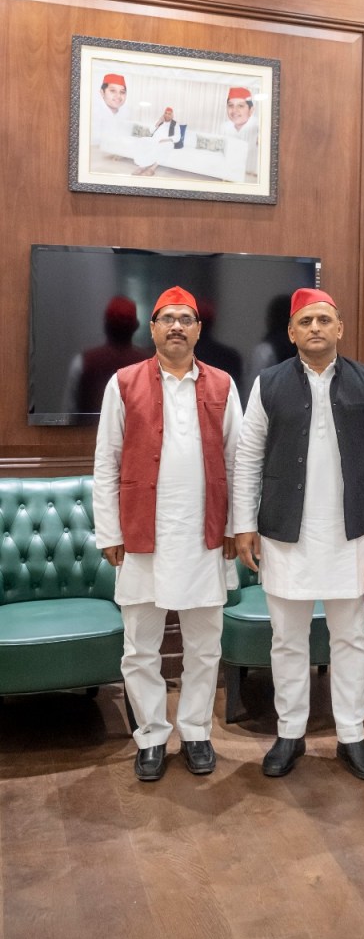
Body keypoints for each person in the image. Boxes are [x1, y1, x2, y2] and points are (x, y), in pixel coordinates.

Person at [233, 288, 364, 781]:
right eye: (306, 321)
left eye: (324, 320)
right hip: (285, 533)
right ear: (291, 332)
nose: (315, 328)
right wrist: (243, 525)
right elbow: (247, 457)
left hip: (352, 533)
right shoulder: (268, 384)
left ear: (339, 328)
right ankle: (290, 733)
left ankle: (352, 734)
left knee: (350, 636)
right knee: (287, 639)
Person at [93, 286, 243, 781]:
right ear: (152, 328)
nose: (177, 326)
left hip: (205, 537)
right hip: (142, 537)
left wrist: (237, 528)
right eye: (167, 318)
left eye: (186, 319)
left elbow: (238, 462)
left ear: (198, 329)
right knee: (140, 647)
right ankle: (152, 737)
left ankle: (196, 732)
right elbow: (107, 461)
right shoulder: (123, 383)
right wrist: (109, 530)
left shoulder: (223, 384)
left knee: (205, 645)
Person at [63, 296, 149, 414]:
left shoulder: (83, 363)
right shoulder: (149, 366)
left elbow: (69, 414)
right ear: (135, 326)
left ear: (106, 325)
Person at [222, 86, 259, 178]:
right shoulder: (224, 127)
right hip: (227, 173)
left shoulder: (259, 126)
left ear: (251, 110)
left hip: (252, 176)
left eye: (240, 106)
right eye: (231, 105)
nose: (234, 111)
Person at [133, 107, 181, 176]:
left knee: (163, 147)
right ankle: (142, 166)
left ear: (172, 115)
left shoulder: (175, 124)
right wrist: (159, 121)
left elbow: (177, 137)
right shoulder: (160, 120)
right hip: (155, 139)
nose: (167, 115)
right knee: (141, 141)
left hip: (167, 142)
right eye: (166, 113)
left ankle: (152, 168)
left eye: (169, 114)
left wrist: (165, 140)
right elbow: (151, 130)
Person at [91, 72, 129, 147]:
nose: (118, 96)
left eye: (122, 92)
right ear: (102, 93)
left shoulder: (125, 113)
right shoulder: (93, 113)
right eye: (113, 91)